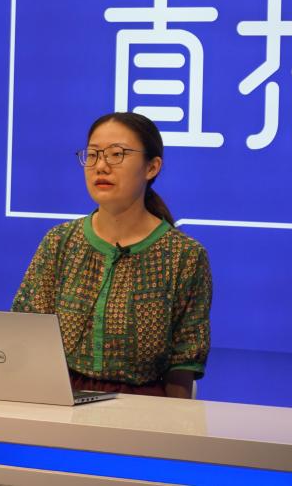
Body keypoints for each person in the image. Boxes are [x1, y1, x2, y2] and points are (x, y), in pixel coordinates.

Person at [11, 112, 212, 398]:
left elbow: (184, 362)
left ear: (152, 167)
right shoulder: (59, 241)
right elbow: (26, 330)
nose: (101, 166)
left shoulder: (185, 256)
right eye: (93, 155)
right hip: (59, 397)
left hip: (144, 407)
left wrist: (175, 422)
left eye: (117, 154)